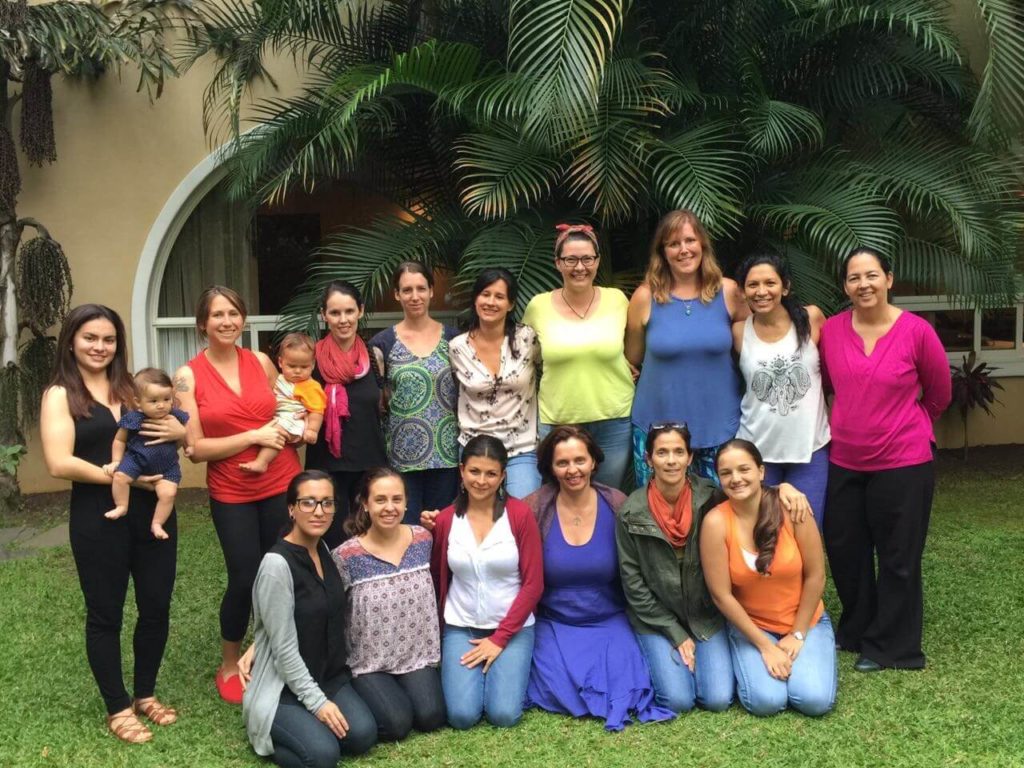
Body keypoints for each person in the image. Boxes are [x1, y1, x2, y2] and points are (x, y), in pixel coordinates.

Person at [40, 304, 185, 743]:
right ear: (71, 342)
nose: (100, 347)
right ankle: (118, 707)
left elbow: (177, 428)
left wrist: (180, 434)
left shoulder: (133, 388)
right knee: (106, 613)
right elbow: (58, 462)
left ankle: (145, 694)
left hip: (153, 515)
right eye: (90, 338)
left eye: (108, 339)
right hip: (98, 517)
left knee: (156, 606)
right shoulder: (60, 395)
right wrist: (122, 476)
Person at [819, 247, 951, 672]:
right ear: (845, 286)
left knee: (898, 555)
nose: (864, 284)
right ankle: (858, 630)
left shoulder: (916, 331)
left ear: (888, 279)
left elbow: (939, 392)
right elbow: (827, 385)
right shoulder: (833, 331)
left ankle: (892, 647)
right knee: (846, 550)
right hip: (845, 459)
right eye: (854, 277)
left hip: (903, 462)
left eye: (872, 275)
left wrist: (910, 425)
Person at [175, 285, 300, 703]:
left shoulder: (261, 362)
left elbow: (287, 409)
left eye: (233, 313)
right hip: (232, 491)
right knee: (244, 576)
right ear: (202, 323)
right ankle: (230, 662)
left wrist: (285, 430)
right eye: (217, 315)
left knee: (283, 571)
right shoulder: (188, 376)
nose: (226, 321)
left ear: (243, 319)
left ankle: (278, 652)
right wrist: (253, 436)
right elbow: (196, 449)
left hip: (281, 481)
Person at [523, 426, 675, 730]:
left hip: (609, 619)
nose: (572, 470)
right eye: (562, 462)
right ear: (551, 468)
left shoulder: (617, 503)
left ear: (593, 461)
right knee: (558, 688)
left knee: (627, 688)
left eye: (580, 460)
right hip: (555, 623)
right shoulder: (534, 507)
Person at [243, 471, 378, 768]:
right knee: (323, 755)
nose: (319, 511)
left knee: (363, 736)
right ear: (291, 508)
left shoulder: (323, 549)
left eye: (327, 503)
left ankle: (310, 725)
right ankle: (267, 728)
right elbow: (283, 650)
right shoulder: (276, 565)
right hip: (282, 688)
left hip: (326, 677)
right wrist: (318, 704)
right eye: (308, 502)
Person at [700, 440, 836, 717]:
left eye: (744, 469)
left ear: (761, 471)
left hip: (804, 621)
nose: (736, 478)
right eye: (726, 473)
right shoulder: (715, 522)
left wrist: (798, 634)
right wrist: (765, 646)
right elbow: (721, 595)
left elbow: (816, 575)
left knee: (813, 700)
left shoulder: (793, 508)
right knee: (766, 701)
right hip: (753, 626)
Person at [615, 423, 734, 713]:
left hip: (705, 616)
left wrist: (784, 489)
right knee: (679, 700)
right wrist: (675, 632)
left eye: (679, 452)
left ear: (690, 457)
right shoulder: (630, 511)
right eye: (662, 453)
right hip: (656, 619)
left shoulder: (710, 498)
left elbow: (753, 501)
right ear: (648, 459)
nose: (671, 460)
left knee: (717, 699)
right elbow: (633, 583)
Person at [429, 435, 544, 728]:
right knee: (462, 716)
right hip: (462, 625)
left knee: (503, 715)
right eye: (474, 471)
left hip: (513, 627)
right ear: (461, 471)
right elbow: (438, 576)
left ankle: (509, 671)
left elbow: (533, 584)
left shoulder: (520, 515)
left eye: (491, 473)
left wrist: (499, 639)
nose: (481, 481)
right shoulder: (445, 520)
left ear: (503, 476)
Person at [627, 210, 748, 485]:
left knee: (720, 509)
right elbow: (632, 358)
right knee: (659, 511)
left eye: (690, 240)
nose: (684, 250)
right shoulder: (644, 297)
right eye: (673, 243)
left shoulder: (730, 292)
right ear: (663, 252)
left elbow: (755, 348)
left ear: (702, 244)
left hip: (720, 426)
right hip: (658, 432)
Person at [331, 468, 445, 740]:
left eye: (397, 499)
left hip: (415, 656)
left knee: (431, 716)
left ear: (406, 503)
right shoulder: (346, 556)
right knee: (397, 724)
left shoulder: (423, 539)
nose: (389, 507)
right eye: (380, 500)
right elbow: (326, 607)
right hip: (369, 662)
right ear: (365, 504)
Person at [522, 224, 634, 489]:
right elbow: (526, 357)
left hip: (614, 418)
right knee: (559, 497)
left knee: (608, 496)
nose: (580, 267)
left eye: (587, 258)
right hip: (558, 419)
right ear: (558, 263)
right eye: (571, 259)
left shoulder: (617, 300)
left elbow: (632, 346)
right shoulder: (538, 305)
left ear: (598, 261)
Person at [733, 253, 830, 529]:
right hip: (757, 451)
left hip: (810, 449)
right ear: (743, 292)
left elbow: (836, 367)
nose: (761, 291)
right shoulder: (738, 332)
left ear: (785, 287)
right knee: (763, 532)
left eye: (770, 283)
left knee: (806, 529)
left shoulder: (811, 319)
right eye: (753, 285)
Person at [369, 262, 459, 524]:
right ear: (397, 294)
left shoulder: (454, 339)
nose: (415, 296)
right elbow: (377, 401)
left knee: (443, 531)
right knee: (405, 532)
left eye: (421, 288)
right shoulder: (382, 344)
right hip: (400, 460)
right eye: (407, 290)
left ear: (431, 290)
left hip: (446, 457)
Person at [305, 280, 387, 549]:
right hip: (327, 468)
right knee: (333, 545)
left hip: (370, 466)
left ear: (360, 311)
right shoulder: (311, 359)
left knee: (369, 543)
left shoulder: (375, 357)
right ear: (323, 315)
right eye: (335, 312)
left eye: (349, 311)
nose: (343, 320)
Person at [450, 268, 542, 498]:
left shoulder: (527, 339)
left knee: (524, 510)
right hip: (474, 448)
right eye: (485, 294)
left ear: (511, 304)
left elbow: (551, 370)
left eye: (499, 296)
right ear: (475, 299)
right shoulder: (457, 347)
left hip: (521, 448)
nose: (491, 302)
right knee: (478, 515)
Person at [102, 367, 188, 540]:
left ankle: (157, 524)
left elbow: (184, 433)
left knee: (168, 494)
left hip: (168, 467)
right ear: (138, 402)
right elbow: (119, 441)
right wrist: (116, 461)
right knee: (120, 477)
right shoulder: (134, 418)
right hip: (137, 460)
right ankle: (121, 506)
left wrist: (187, 442)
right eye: (153, 401)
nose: (161, 405)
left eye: (166, 399)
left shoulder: (175, 416)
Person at [241, 333, 326, 474]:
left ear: (312, 365)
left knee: (275, 432)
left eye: (304, 367)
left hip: (294, 421)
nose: (297, 371)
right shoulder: (279, 379)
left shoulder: (311, 387)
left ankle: (262, 462)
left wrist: (312, 430)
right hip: (280, 417)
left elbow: (317, 411)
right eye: (292, 366)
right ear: (280, 362)